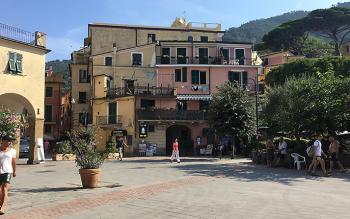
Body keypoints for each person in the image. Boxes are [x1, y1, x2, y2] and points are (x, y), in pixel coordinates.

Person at [0, 135, 17, 215]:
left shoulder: (13, 151)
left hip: (7, 171)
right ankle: (1, 201)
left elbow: (13, 162)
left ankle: (2, 207)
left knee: (4, 188)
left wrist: (14, 171)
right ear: (2, 141)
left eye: (10, 141)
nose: (9, 142)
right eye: (8, 140)